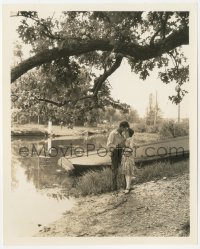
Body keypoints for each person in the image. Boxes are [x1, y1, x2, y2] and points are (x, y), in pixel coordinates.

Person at [107, 121, 130, 191]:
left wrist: (128, 144)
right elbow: (109, 145)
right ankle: (114, 188)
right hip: (114, 153)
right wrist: (116, 146)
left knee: (124, 169)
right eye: (125, 129)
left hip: (121, 152)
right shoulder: (113, 133)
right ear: (121, 127)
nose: (126, 130)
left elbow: (124, 143)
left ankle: (126, 187)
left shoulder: (123, 134)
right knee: (115, 170)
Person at [121, 128, 136, 194]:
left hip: (128, 157)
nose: (124, 133)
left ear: (128, 133)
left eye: (126, 132)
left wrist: (124, 149)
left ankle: (128, 187)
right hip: (125, 157)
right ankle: (128, 186)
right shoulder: (126, 139)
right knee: (126, 172)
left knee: (128, 172)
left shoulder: (130, 139)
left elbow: (131, 149)